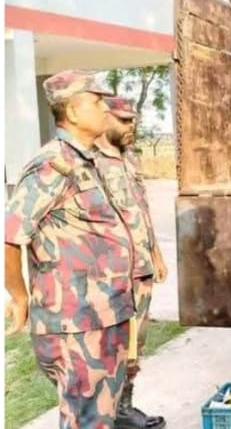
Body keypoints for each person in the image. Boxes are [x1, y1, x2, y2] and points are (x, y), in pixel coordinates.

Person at [4, 70, 134, 428]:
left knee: (99, 417)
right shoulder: (52, 163)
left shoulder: (85, 160)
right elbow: (11, 234)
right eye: (96, 101)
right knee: (84, 419)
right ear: (73, 112)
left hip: (103, 315)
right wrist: (19, 296)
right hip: (76, 323)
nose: (105, 108)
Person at [95, 97, 168, 429]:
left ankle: (124, 408)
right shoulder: (90, 163)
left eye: (134, 121)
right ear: (105, 119)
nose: (131, 127)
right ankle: (102, 413)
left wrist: (156, 253)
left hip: (141, 272)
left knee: (135, 348)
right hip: (109, 276)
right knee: (105, 351)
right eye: (124, 121)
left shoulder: (130, 159)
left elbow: (141, 210)